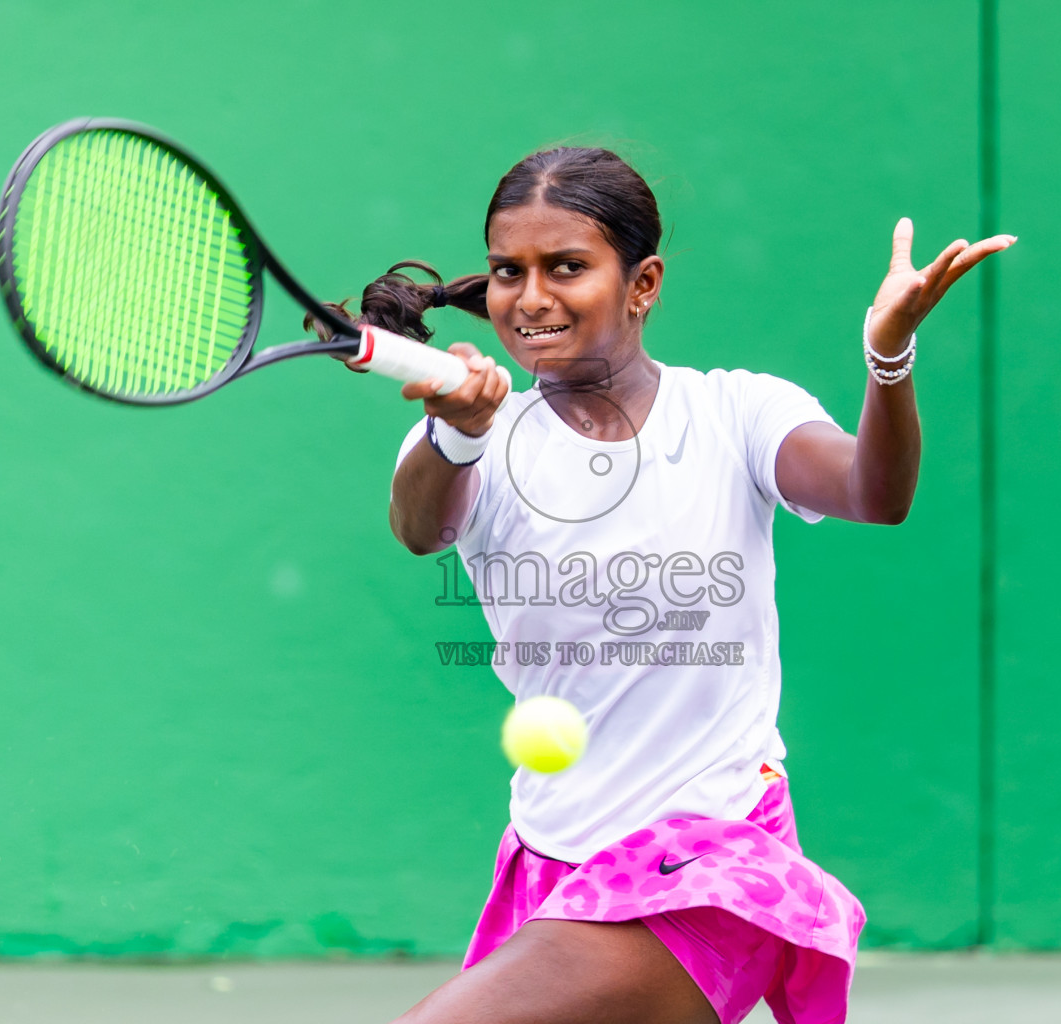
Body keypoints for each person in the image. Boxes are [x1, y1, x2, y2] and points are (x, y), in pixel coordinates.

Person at [319, 147, 1013, 1024]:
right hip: (558, 853)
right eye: (509, 272)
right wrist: (458, 432)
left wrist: (889, 357)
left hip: (707, 858)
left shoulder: (738, 411)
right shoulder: (474, 434)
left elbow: (877, 493)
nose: (531, 297)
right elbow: (421, 529)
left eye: (566, 268)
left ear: (642, 283)